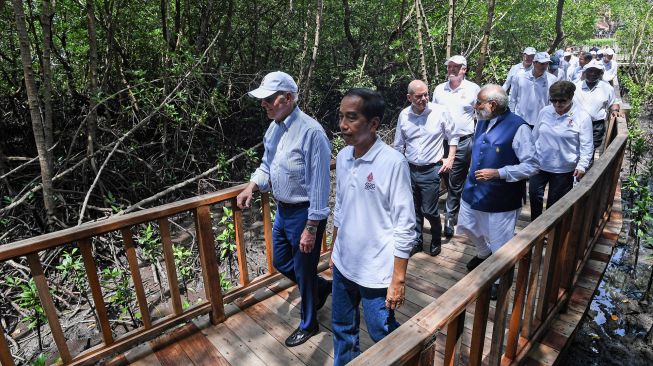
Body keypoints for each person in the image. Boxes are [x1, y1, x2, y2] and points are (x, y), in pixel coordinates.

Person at [236, 71, 331, 347]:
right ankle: (321, 286)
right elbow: (267, 165)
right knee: (280, 261)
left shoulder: (312, 132)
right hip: (283, 211)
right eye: (262, 99)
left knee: (303, 270)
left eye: (268, 99)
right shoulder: (274, 127)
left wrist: (312, 228)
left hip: (305, 213)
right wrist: (251, 186)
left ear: (287, 98)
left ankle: (309, 323)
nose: (263, 104)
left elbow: (320, 186)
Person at [331, 88, 416, 365]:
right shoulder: (343, 157)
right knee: (343, 329)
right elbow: (340, 209)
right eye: (341, 116)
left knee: (383, 333)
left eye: (351, 118)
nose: (343, 125)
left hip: (377, 271)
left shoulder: (393, 163)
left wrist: (398, 280)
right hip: (345, 264)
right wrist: (333, 252)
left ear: (374, 124)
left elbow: (405, 226)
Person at [457, 85, 539, 299]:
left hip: (501, 196)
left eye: (479, 102)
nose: (475, 106)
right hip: (473, 190)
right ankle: (484, 253)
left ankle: (500, 278)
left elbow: (532, 165)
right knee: (466, 224)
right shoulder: (482, 120)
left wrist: (500, 173)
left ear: (492, 105)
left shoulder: (519, 127)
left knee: (501, 242)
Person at [394, 80, 459, 256]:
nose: (424, 98)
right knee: (414, 209)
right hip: (409, 168)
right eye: (419, 96)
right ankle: (418, 240)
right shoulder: (404, 115)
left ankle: (436, 237)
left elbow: (453, 135)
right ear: (409, 98)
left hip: (431, 169)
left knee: (429, 210)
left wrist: (450, 158)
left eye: (426, 94)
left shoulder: (439, 111)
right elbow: (399, 145)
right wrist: (399, 170)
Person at [529, 81, 593, 220]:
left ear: (571, 98)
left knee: (554, 204)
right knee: (534, 195)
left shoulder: (582, 117)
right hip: (539, 164)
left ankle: (550, 232)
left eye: (562, 101)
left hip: (564, 169)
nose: (557, 104)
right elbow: (534, 136)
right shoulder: (545, 112)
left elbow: (587, 145)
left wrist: (582, 165)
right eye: (554, 100)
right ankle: (535, 228)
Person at [432, 55, 480, 237]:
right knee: (443, 174)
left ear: (464, 69)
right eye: (449, 66)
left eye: (456, 67)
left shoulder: (473, 89)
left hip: (463, 140)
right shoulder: (439, 89)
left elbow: (481, 113)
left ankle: (450, 217)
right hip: (440, 141)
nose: (451, 69)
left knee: (456, 179)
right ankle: (454, 207)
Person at [573, 62, 620, 161]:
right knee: (576, 148)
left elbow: (613, 103)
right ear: (585, 72)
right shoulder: (576, 87)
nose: (593, 74)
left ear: (600, 74)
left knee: (591, 150)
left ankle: (588, 173)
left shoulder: (607, 88)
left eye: (596, 72)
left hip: (596, 125)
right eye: (590, 71)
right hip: (577, 123)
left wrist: (615, 110)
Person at [509, 52, 558, 126]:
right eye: (542, 64)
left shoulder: (552, 79)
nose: (544, 66)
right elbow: (513, 98)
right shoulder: (519, 77)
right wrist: (511, 116)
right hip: (520, 120)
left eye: (546, 64)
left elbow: (552, 102)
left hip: (541, 122)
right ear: (534, 63)